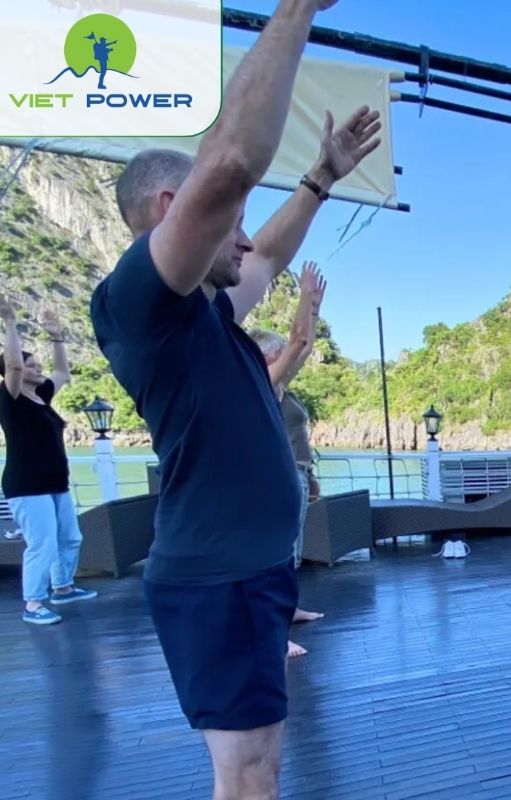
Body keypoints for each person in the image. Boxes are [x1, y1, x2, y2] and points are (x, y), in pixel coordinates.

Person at [89, 1, 381, 796]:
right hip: (218, 576)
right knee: (249, 770)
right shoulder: (140, 304)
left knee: (255, 766)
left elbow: (271, 255)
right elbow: (229, 163)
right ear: (170, 213)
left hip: (244, 571)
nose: (248, 239)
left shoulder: (205, 310)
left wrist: (321, 178)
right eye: (233, 222)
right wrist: (299, 9)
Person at [249, 261, 328, 659]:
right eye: (278, 351)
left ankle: (288, 611)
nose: (288, 356)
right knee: (276, 556)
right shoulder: (264, 383)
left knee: (289, 552)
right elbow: (302, 343)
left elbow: (301, 345)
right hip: (273, 479)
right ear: (266, 356)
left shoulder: (278, 388)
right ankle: (272, 634)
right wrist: (306, 306)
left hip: (293, 473)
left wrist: (309, 474)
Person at [0, 298, 96, 625]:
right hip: (27, 486)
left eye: (37, 365)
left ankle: (63, 587)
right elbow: (12, 366)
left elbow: (62, 373)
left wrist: (56, 336)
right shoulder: (10, 399)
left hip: (55, 483)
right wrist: (10, 323)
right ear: (13, 372)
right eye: (31, 365)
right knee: (42, 545)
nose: (37, 369)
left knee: (70, 538)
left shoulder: (41, 396)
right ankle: (33, 603)